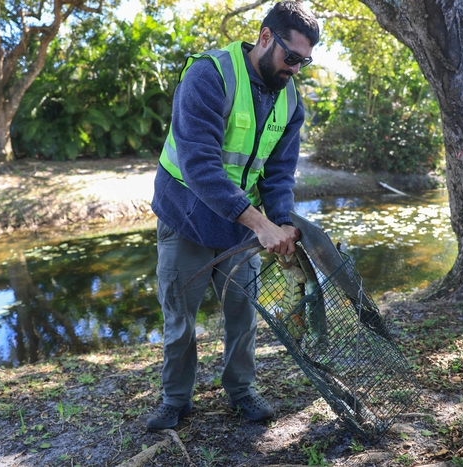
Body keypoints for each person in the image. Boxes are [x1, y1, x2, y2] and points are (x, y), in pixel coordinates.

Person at [147, 1, 320, 431]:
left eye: (304, 61)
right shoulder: (210, 74)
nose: (295, 69)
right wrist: (260, 225)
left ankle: (241, 390)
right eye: (291, 57)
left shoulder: (290, 99)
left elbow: (279, 173)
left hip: (237, 221)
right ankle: (175, 400)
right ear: (265, 38)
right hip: (184, 213)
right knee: (179, 319)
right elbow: (200, 167)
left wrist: (281, 221)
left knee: (242, 312)